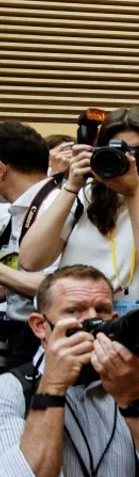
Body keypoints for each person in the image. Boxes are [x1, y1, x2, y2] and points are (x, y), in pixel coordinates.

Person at [0, 264, 139, 477]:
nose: (92, 320)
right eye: (74, 310)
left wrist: (133, 396)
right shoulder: (9, 390)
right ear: (40, 326)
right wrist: (52, 387)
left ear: (114, 320)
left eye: (102, 310)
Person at [18, 108, 139, 315]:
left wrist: (133, 193)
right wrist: (71, 186)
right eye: (121, 151)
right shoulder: (85, 196)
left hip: (129, 329)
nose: (130, 159)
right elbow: (30, 261)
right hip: (69, 320)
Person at [0, 122, 65, 370]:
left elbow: (54, 285)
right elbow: (18, 277)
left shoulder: (52, 207)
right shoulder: (19, 208)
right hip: (19, 333)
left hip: (44, 340)